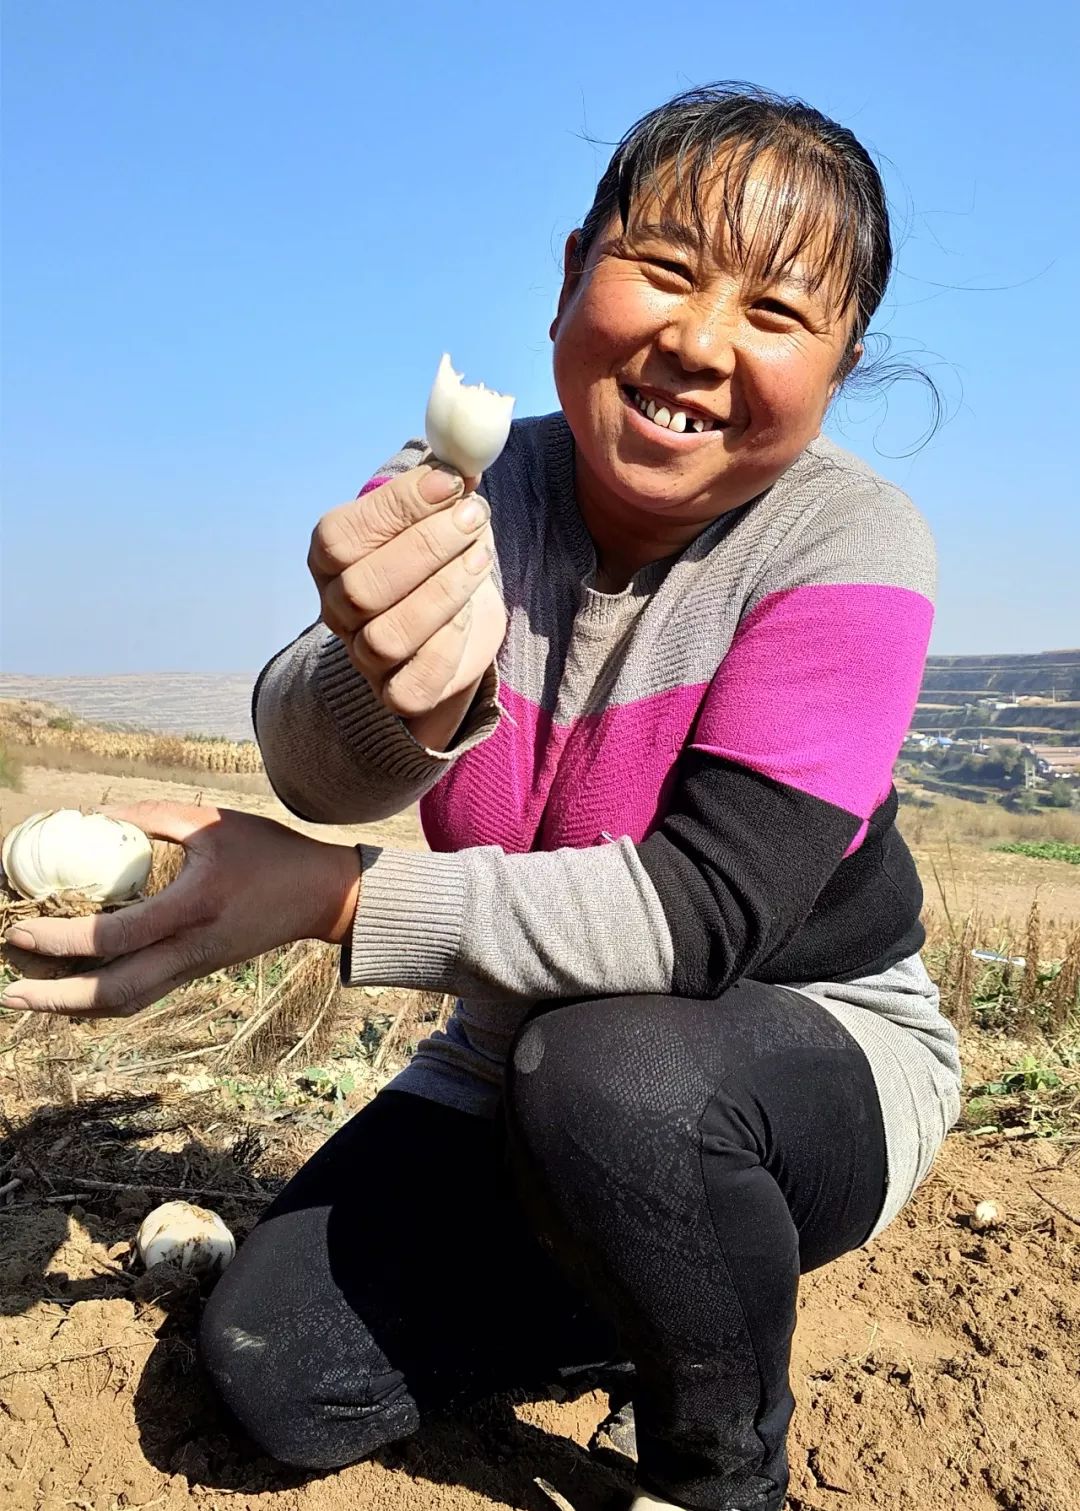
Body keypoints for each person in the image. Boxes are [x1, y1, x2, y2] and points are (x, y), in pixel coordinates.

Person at [2, 83, 962, 1511]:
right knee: (275, 1366)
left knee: (619, 1084)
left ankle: (717, 1460)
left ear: (840, 367)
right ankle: (653, 1276)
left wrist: (327, 899)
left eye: (776, 313)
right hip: (516, 1053)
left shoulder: (849, 542)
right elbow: (312, 766)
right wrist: (388, 688)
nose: (699, 342)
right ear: (576, 272)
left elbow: (699, 914)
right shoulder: (464, 488)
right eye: (668, 269)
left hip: (795, 1053)